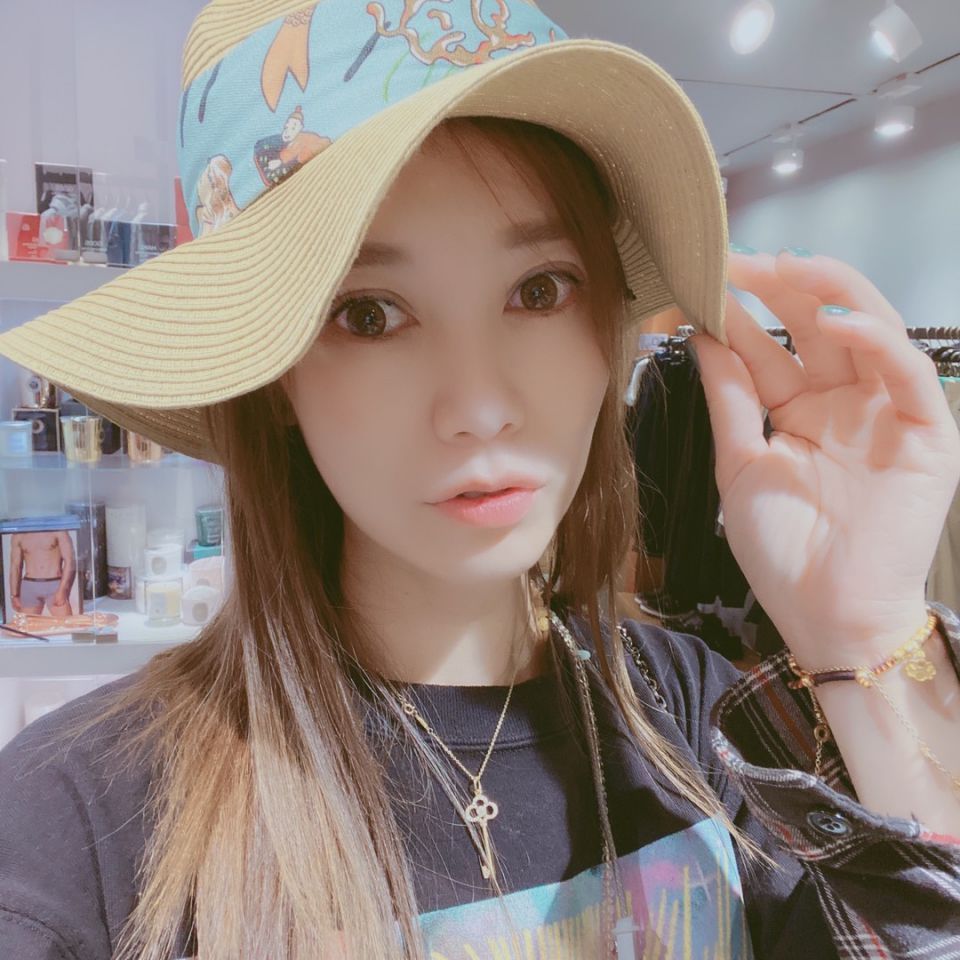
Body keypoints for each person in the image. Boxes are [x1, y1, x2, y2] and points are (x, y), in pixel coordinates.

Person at [0, 1, 958, 958]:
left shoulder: (699, 719)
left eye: (539, 290)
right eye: (369, 314)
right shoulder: (85, 825)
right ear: (277, 377)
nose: (481, 406)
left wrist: (864, 633)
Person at [8, 529, 76, 617]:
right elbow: (15, 566)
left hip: (54, 585)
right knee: (27, 625)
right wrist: (14, 595)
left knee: (66, 624)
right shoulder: (19, 534)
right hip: (29, 586)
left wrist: (62, 590)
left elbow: (70, 561)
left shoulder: (57, 530)